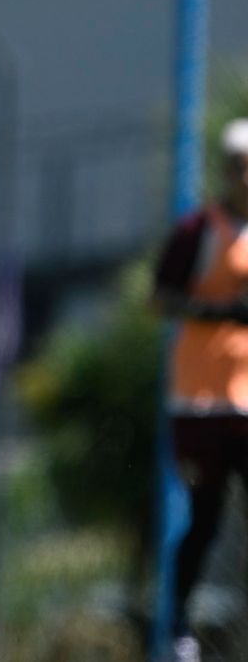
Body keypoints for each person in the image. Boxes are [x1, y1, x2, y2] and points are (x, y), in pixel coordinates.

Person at [154, 118, 248, 662]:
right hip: (201, 402)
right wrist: (219, 312)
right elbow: (161, 298)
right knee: (206, 515)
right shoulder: (199, 231)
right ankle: (180, 626)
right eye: (238, 168)